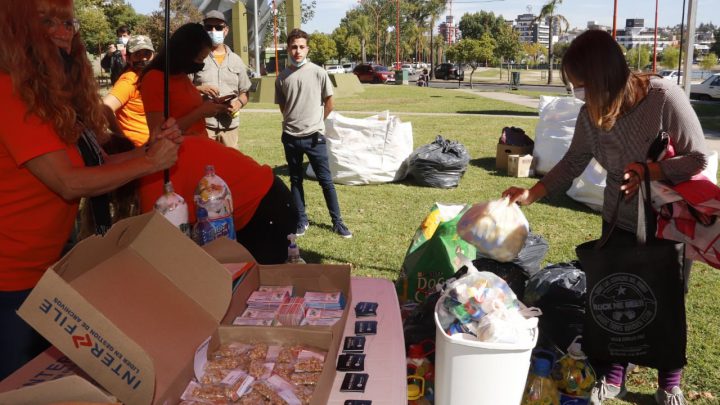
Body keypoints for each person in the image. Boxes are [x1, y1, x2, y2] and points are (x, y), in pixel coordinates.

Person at [502, 30, 709, 405]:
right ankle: (614, 376)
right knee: (617, 296)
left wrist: (651, 171)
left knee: (667, 297)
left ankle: (670, 381)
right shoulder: (591, 114)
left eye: (582, 86)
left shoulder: (665, 98)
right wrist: (532, 193)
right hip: (618, 218)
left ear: (604, 78)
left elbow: (698, 157)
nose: (579, 95)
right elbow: (573, 162)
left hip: (668, 220)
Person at [0, 0, 181, 379]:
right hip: (9, 278)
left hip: (45, 270)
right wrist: (150, 163)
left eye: (68, 22)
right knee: (17, 385)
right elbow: (68, 182)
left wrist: (150, 151)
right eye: (46, 21)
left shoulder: (52, 99)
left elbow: (95, 165)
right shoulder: (8, 92)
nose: (63, 31)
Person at [137, 136, 296, 264]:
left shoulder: (149, 177)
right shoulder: (158, 154)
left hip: (265, 211)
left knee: (260, 288)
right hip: (270, 199)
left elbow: (154, 244)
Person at [275, 28, 352, 238]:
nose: (297, 51)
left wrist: (316, 123)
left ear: (307, 48)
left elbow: (330, 103)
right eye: (293, 47)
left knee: (326, 181)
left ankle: (337, 222)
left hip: (314, 138)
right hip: (291, 138)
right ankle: (301, 220)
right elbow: (284, 107)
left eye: (301, 47)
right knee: (295, 180)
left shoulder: (319, 73)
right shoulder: (282, 77)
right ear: (288, 49)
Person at [140, 23, 228, 140]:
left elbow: (183, 106)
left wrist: (210, 104)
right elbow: (159, 134)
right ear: (185, 53)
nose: (201, 64)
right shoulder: (154, 79)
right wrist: (201, 112)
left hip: (200, 144)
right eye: (200, 59)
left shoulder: (181, 75)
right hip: (180, 151)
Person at [192, 10, 252, 148]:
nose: (213, 31)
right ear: (203, 30)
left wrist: (239, 104)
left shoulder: (237, 60)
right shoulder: (195, 58)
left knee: (230, 167)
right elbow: (183, 89)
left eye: (218, 27)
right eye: (209, 27)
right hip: (203, 126)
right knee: (204, 167)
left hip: (229, 127)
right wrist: (200, 88)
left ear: (226, 30)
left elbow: (245, 92)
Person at [103, 34, 155, 147]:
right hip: (139, 148)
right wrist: (122, 139)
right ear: (128, 58)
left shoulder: (149, 77)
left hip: (153, 144)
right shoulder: (129, 80)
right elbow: (104, 108)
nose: (144, 58)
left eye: (147, 53)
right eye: (138, 54)